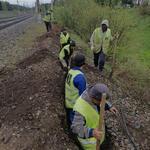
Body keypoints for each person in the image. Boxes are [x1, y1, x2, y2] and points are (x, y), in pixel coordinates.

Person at [71, 83, 118, 150]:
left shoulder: (93, 93)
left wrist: (109, 106)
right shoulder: (79, 109)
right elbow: (76, 128)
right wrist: (92, 132)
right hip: (90, 144)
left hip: (99, 137)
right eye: (100, 102)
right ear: (93, 98)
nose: (102, 103)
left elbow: (101, 103)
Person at [65, 53, 86, 127]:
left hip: (68, 103)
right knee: (76, 125)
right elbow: (83, 96)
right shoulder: (80, 77)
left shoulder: (70, 71)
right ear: (83, 64)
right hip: (75, 106)